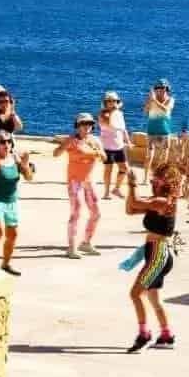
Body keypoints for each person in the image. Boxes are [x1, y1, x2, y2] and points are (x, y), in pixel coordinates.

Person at [123, 162, 182, 352]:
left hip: (158, 253)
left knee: (135, 294)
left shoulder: (163, 203)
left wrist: (132, 185)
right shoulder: (158, 201)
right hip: (155, 252)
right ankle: (166, 335)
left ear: (165, 183)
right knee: (154, 299)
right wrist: (130, 188)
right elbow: (130, 209)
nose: (152, 183)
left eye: (156, 180)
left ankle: (144, 334)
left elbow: (136, 203)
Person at [0, 131, 35, 275]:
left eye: (9, 141)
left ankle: (5, 264)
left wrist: (25, 164)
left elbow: (29, 178)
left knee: (13, 235)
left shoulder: (15, 159)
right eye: (3, 142)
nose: (6, 144)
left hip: (11, 201)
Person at [54, 112, 104, 258]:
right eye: (83, 123)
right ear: (77, 125)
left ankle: (86, 243)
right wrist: (64, 146)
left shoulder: (95, 140)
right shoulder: (72, 140)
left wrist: (98, 152)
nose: (86, 126)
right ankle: (71, 248)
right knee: (76, 212)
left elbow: (104, 157)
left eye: (89, 123)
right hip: (74, 182)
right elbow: (56, 153)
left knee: (96, 213)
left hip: (88, 181)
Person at [98, 90, 130, 199]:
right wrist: (114, 111)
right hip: (107, 146)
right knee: (108, 170)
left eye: (114, 101)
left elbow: (123, 128)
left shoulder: (119, 114)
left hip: (119, 146)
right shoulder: (102, 115)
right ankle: (106, 192)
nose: (112, 103)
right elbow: (110, 124)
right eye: (110, 101)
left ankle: (116, 188)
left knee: (124, 168)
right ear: (106, 102)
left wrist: (128, 141)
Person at [143, 80, 177, 171]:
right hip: (152, 130)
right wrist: (149, 101)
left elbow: (165, 110)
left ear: (167, 89)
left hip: (165, 130)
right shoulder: (151, 99)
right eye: (157, 88)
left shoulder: (170, 100)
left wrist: (154, 101)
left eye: (162, 88)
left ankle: (160, 176)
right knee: (149, 156)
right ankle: (145, 178)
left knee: (164, 158)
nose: (160, 90)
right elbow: (145, 111)